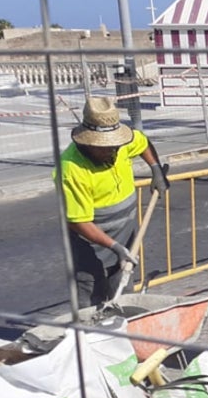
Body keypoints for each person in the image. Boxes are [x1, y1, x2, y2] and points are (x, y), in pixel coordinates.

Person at [56, 96, 169, 307]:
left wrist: (156, 171)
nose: (113, 150)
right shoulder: (71, 169)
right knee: (91, 299)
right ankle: (93, 337)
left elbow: (142, 142)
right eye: (105, 147)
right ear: (88, 143)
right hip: (90, 244)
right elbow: (78, 221)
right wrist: (115, 247)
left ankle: (122, 332)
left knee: (123, 294)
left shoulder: (118, 145)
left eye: (116, 145)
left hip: (125, 235)